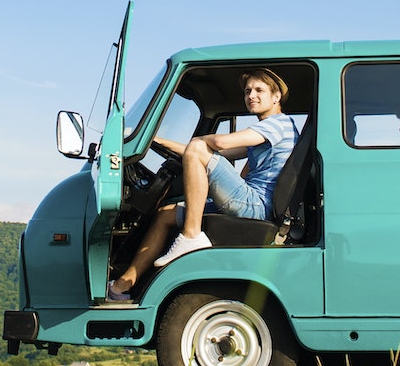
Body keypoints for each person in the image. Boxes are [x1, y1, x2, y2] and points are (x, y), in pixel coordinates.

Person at [103, 68, 299, 301]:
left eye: (259, 90)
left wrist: (197, 145)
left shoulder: (278, 124)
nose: (251, 96)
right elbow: (219, 152)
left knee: (198, 147)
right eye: (247, 91)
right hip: (252, 200)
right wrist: (151, 140)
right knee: (166, 214)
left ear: (276, 97)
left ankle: (191, 236)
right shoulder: (266, 132)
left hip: (256, 205)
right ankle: (122, 287)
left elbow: (217, 143)